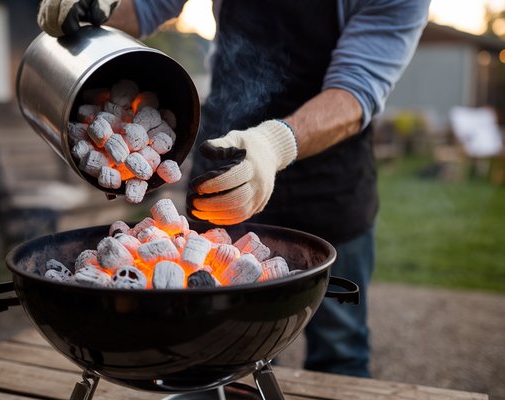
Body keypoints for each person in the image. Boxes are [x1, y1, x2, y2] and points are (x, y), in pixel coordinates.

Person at [38, 0, 430, 377]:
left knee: (340, 349)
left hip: (326, 184)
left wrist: (274, 145)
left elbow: (356, 91)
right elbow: (144, 7)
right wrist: (96, 6)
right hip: (223, 165)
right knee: (215, 347)